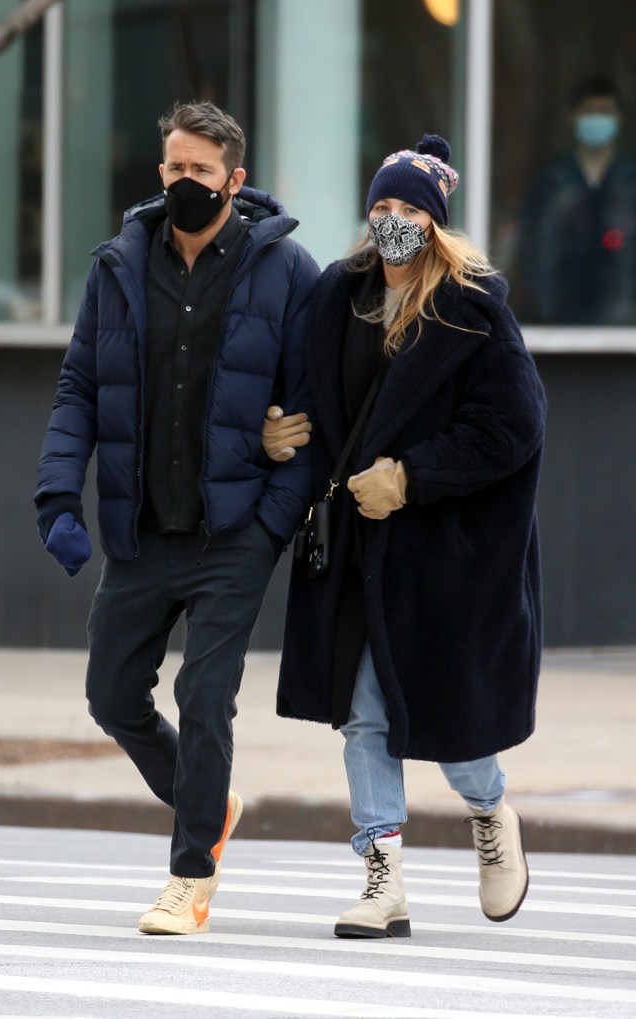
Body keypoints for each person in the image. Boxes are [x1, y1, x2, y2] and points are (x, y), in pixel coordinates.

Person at [35, 100, 319, 936]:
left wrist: (273, 521)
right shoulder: (118, 264)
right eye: (172, 167)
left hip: (235, 531)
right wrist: (58, 495)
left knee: (205, 695)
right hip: (142, 527)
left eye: (199, 170)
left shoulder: (286, 271)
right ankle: (210, 800)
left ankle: (189, 875)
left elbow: (308, 413)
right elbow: (79, 387)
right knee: (112, 693)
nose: (183, 182)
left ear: (234, 178)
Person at [262, 135, 546, 938]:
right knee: (364, 715)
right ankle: (381, 877)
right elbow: (315, 397)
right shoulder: (337, 296)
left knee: (450, 720)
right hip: (357, 548)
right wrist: (281, 430)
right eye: (382, 207)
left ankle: (490, 812)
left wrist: (414, 477)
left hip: (444, 556)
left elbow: (514, 428)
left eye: (410, 210)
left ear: (437, 222)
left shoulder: (473, 307)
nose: (393, 222)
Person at [514, 74, 636, 324]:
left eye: (605, 112)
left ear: (619, 118)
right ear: (573, 116)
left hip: (623, 324)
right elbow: (532, 249)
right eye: (589, 111)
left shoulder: (630, 182)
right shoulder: (552, 182)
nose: (597, 119)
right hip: (557, 320)